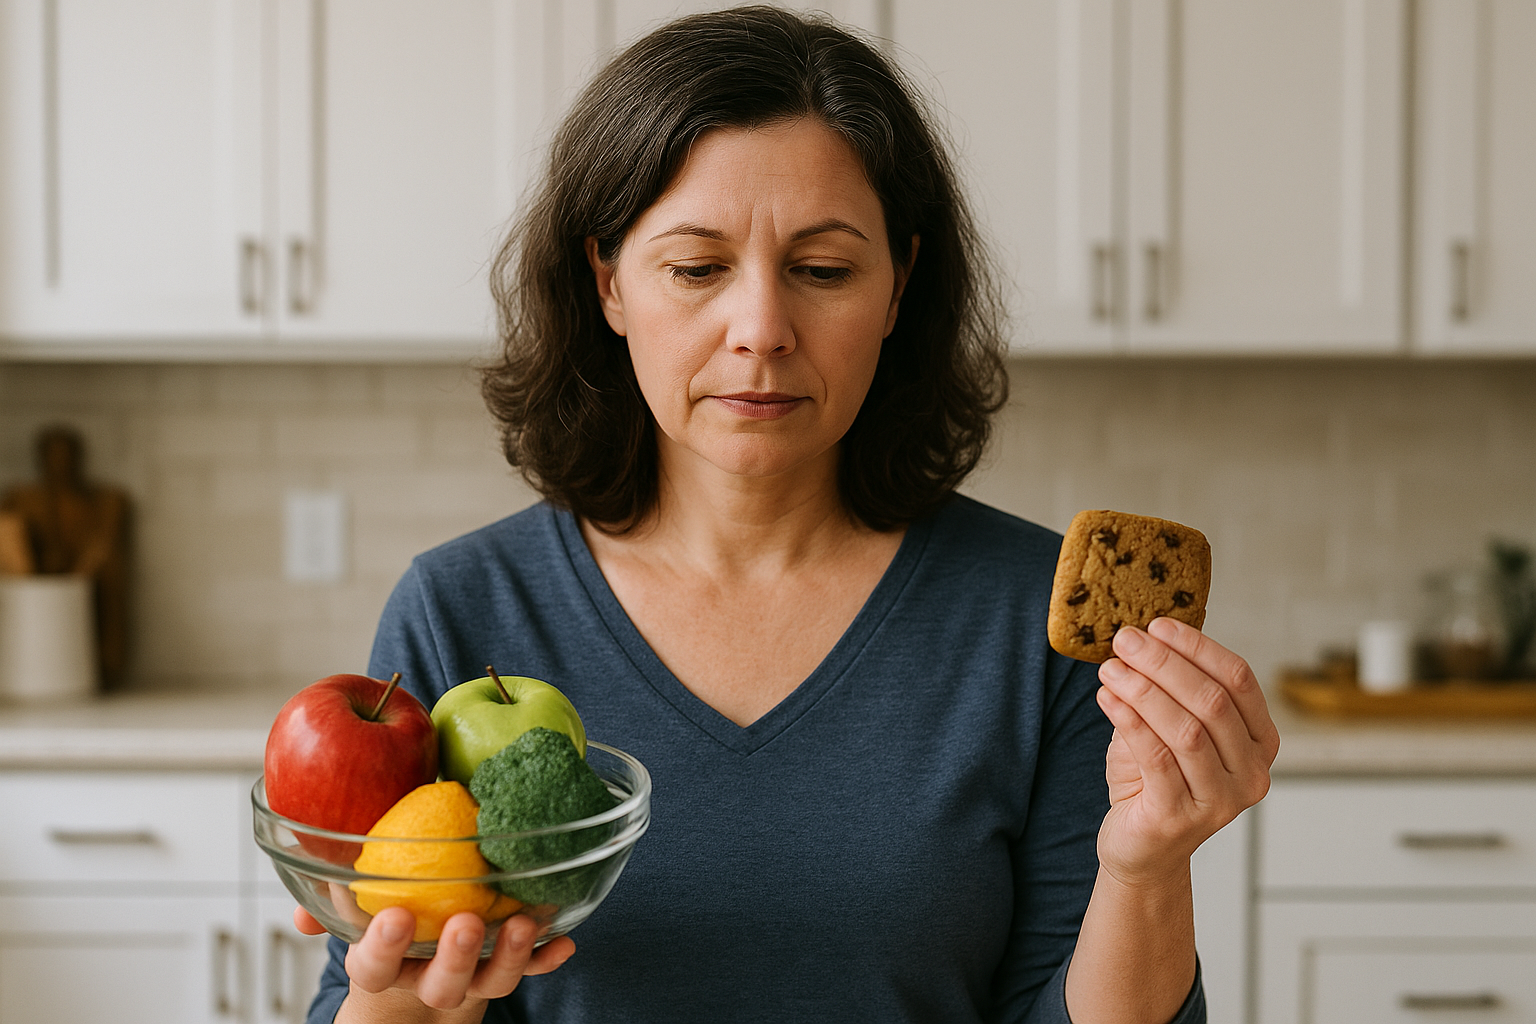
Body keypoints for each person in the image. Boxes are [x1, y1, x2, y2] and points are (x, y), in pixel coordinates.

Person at [300, 7, 1277, 1023]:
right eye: (695, 268)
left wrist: (1148, 868)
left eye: (823, 270)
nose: (761, 329)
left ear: (899, 285)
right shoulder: (462, 612)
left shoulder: (1041, 630)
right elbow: (369, 990)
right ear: (608, 284)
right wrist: (413, 999)